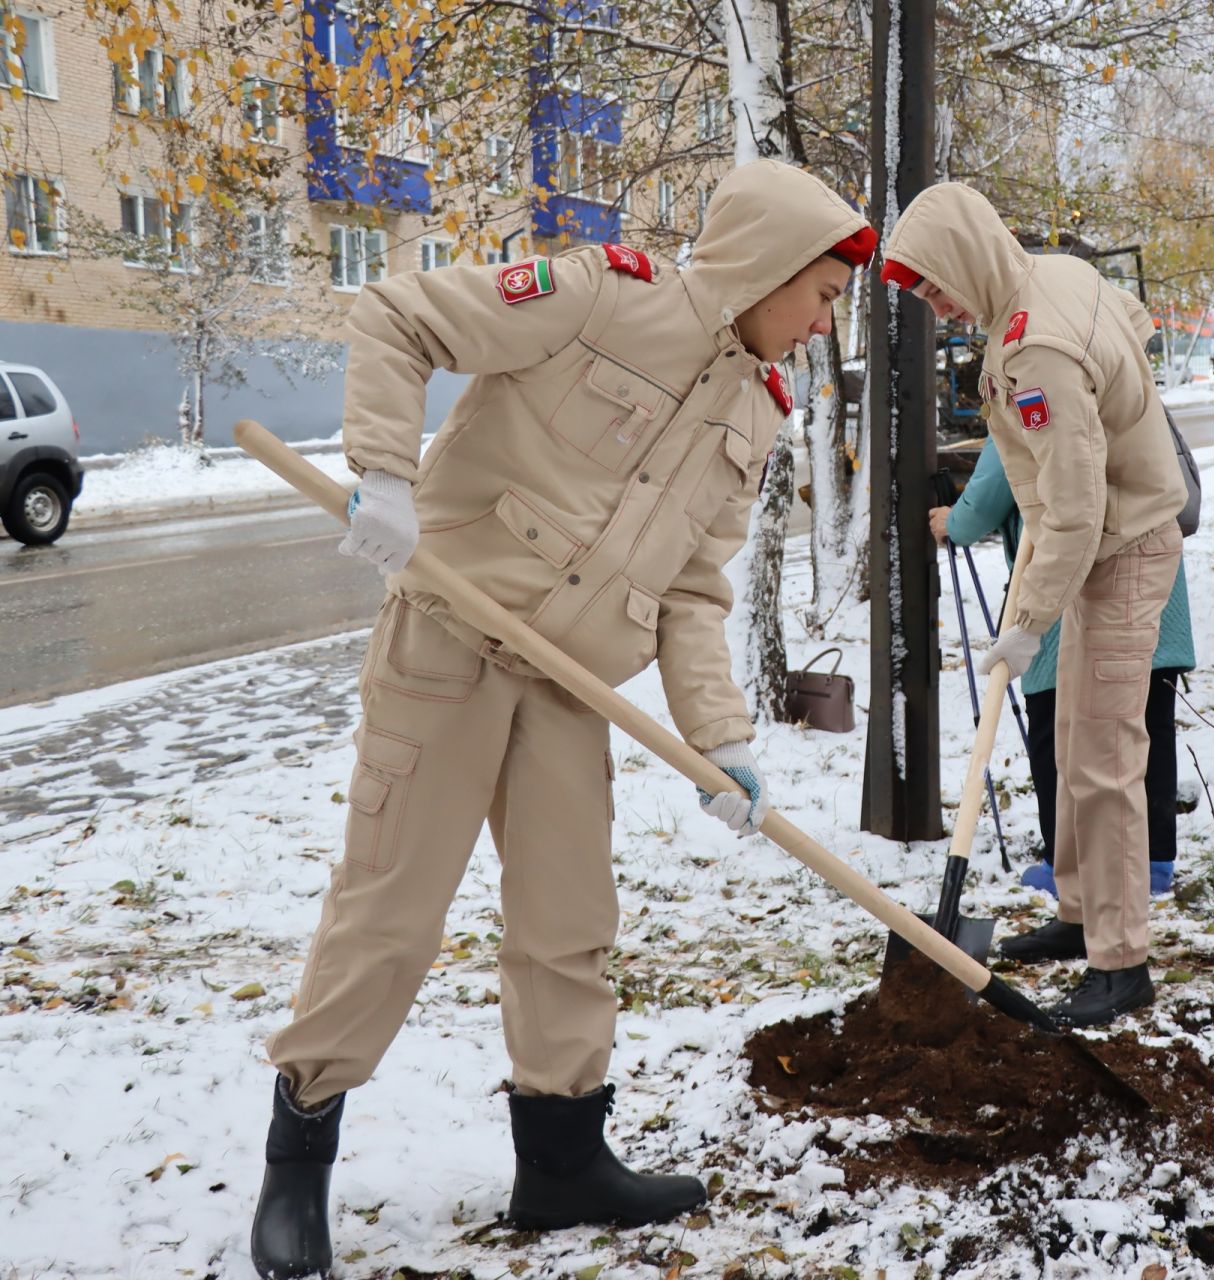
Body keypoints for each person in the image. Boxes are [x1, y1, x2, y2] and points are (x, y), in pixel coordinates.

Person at [248, 159, 877, 1279]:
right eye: (823, 293)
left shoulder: (756, 411)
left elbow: (693, 590)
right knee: (389, 911)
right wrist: (386, 475)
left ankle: (564, 1160)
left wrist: (718, 738)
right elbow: (398, 315)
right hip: (447, 636)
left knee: (569, 921)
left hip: (568, 684)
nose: (827, 322)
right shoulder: (599, 297)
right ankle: (298, 1163)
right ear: (771, 268)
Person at [881, 183, 1187, 1028]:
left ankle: (1121, 961)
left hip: (1119, 546)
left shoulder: (1035, 347)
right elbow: (1131, 318)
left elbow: (1080, 507)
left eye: (936, 286)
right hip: (1095, 538)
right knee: (1072, 741)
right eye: (925, 295)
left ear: (969, 258)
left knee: (1106, 756)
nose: (937, 304)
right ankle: (1080, 911)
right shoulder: (1045, 277)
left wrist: (1023, 625)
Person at [930, 435, 1194, 897]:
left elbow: (984, 503)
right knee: (1150, 726)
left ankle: (1064, 863)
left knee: (1056, 730)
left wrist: (950, 519)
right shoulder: (1124, 389)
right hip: (1157, 589)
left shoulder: (1030, 389)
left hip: (1073, 594)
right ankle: (1153, 862)